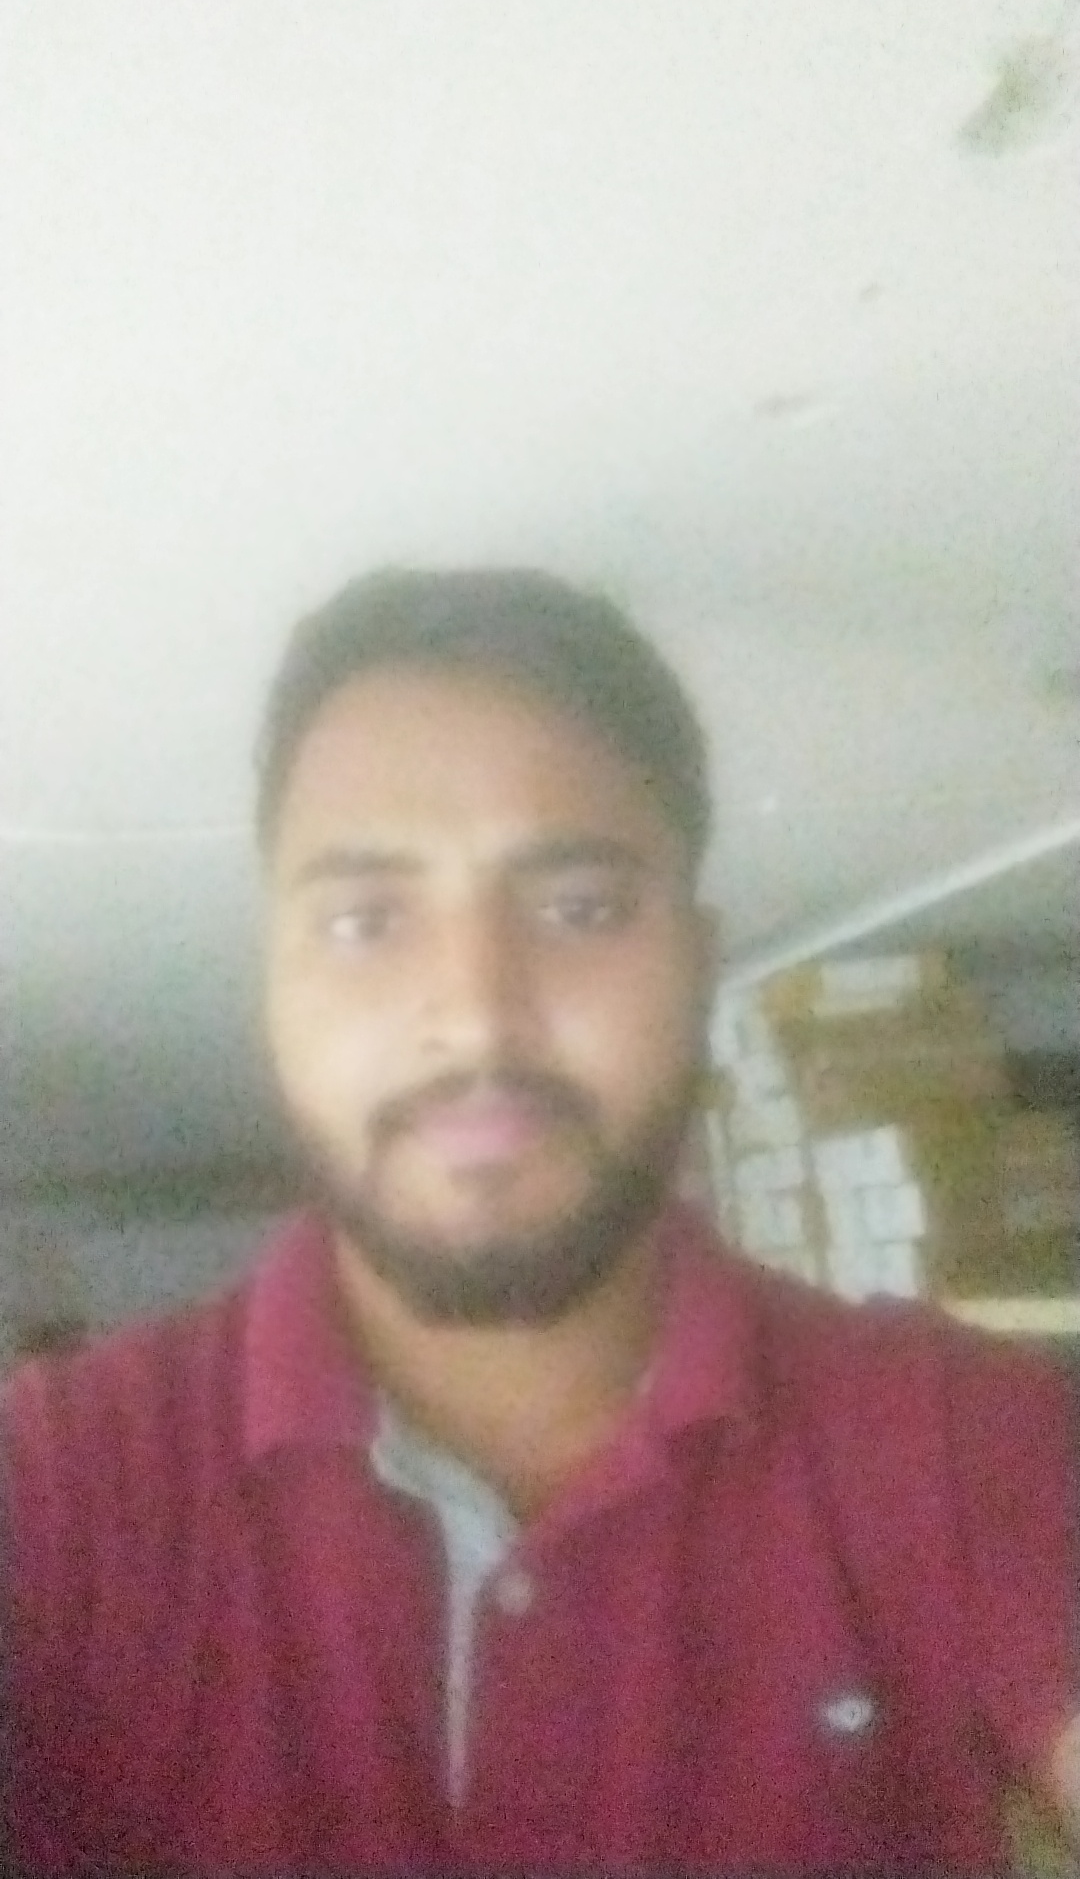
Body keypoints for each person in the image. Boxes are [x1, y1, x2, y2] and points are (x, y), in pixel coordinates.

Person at [2, 567, 1077, 1874]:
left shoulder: (963, 1446)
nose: (478, 1012)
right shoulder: (52, 1495)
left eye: (580, 909)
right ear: (271, 985)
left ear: (699, 962)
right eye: (366, 920)